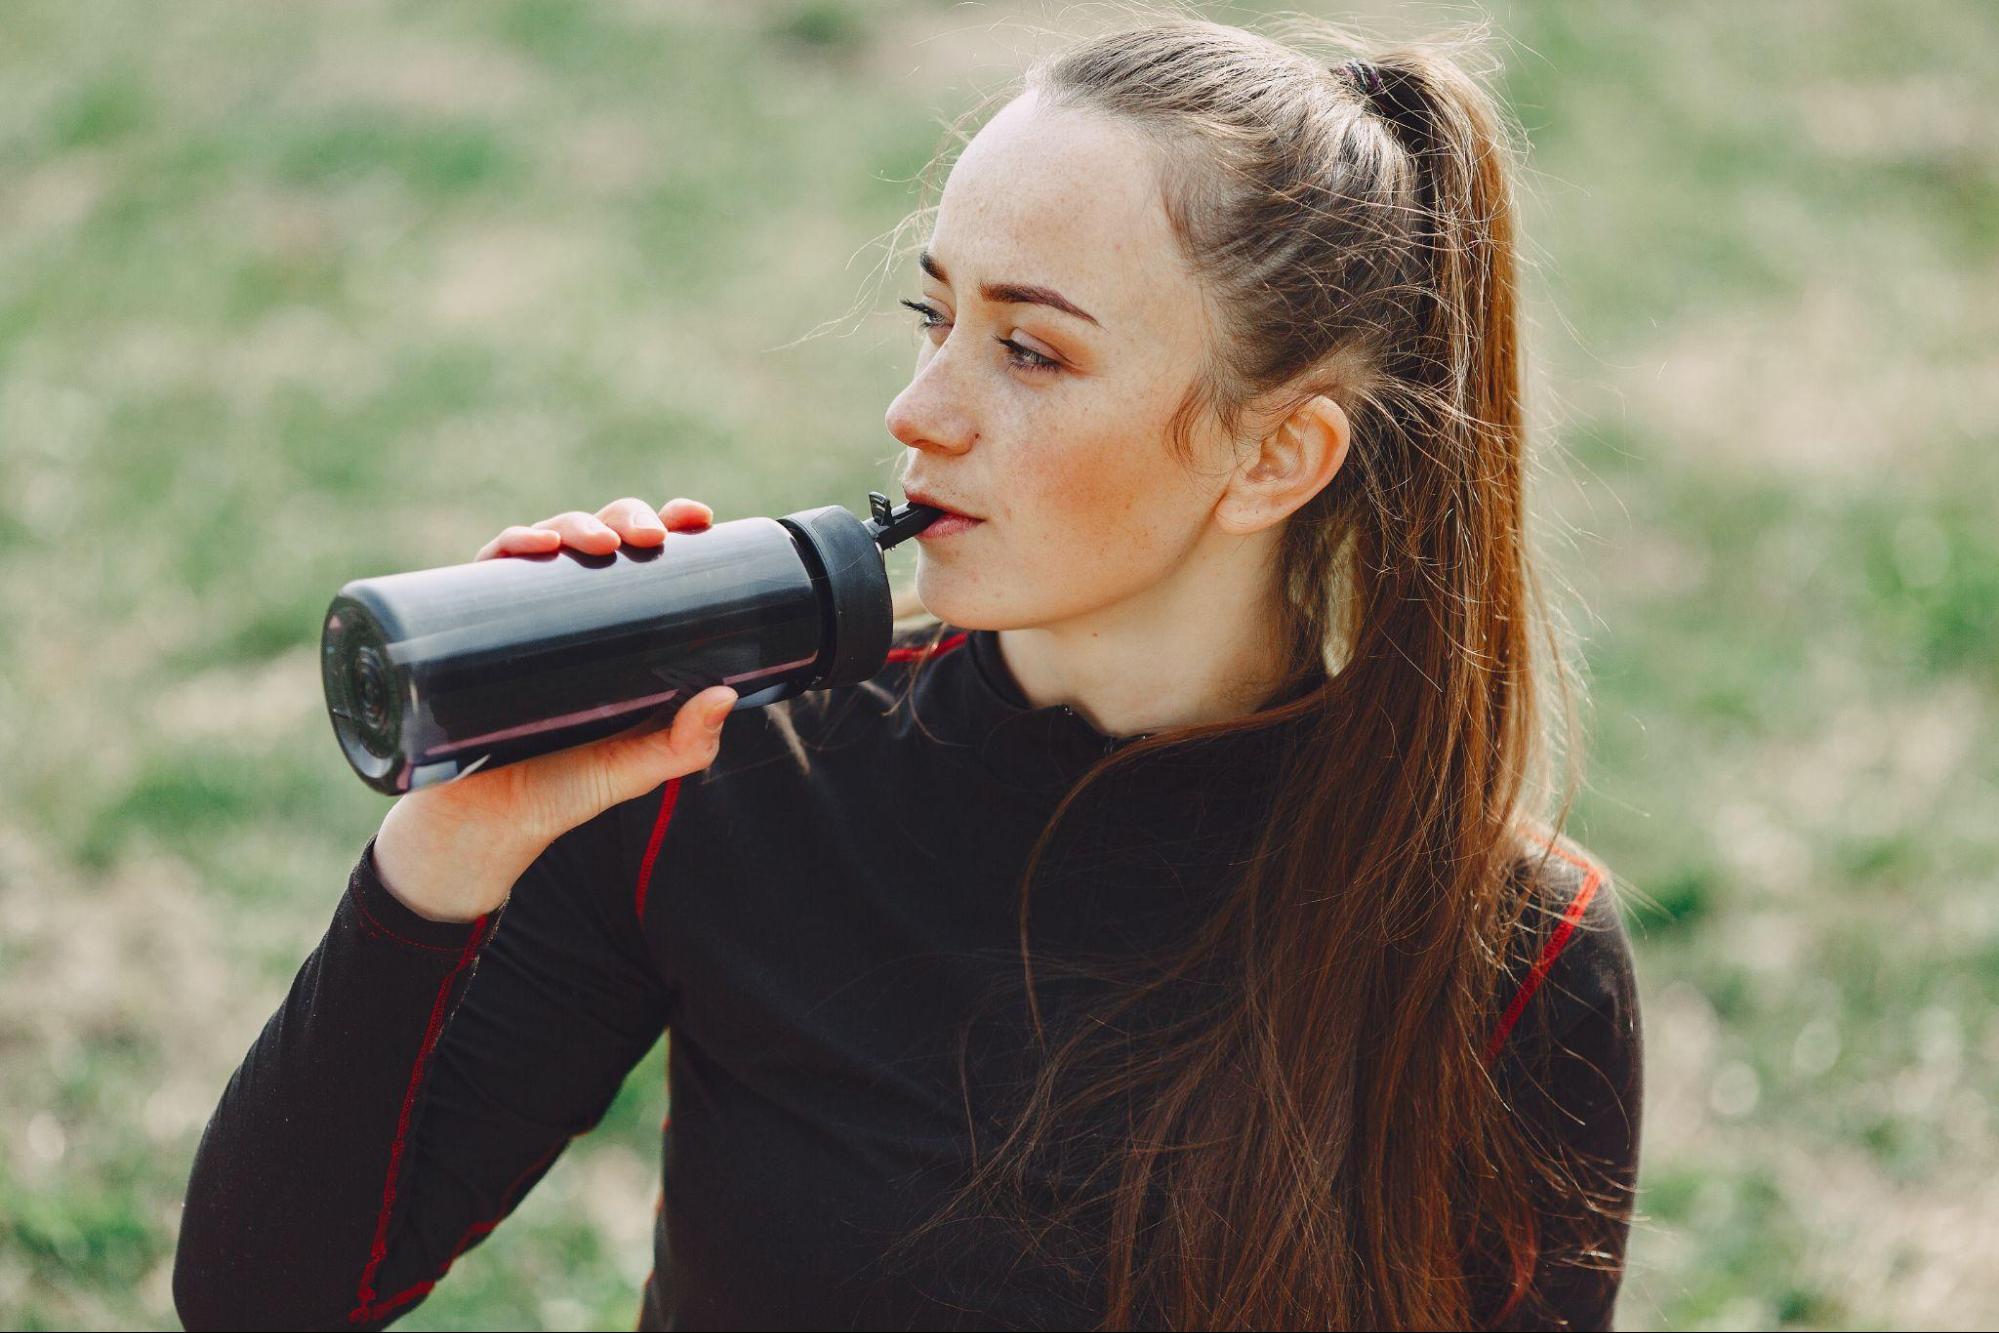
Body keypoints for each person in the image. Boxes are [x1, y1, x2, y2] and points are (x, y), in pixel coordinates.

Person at [175, 12, 1642, 1331]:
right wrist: (447, 851)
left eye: (1033, 353)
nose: (919, 409)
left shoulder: (1512, 958)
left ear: (1277, 456)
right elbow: (265, 1295)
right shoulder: (730, 762)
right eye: (936, 316)